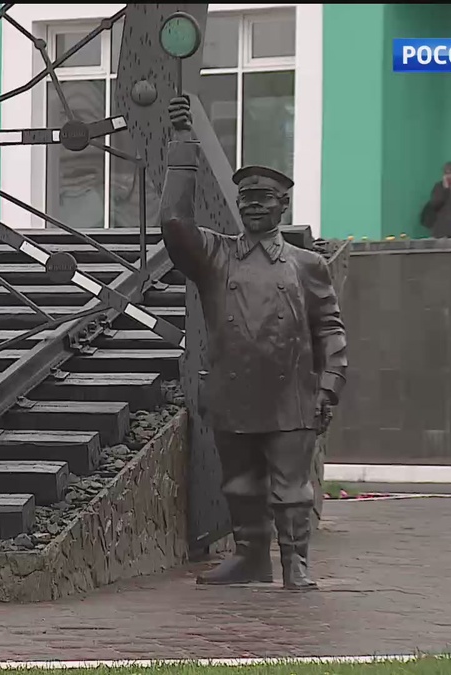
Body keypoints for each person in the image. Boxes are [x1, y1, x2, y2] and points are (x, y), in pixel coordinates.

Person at [158, 95, 348, 591]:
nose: (254, 204)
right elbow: (174, 224)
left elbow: (329, 328)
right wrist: (183, 146)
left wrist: (329, 385)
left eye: (264, 197)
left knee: (291, 489)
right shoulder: (214, 256)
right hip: (234, 391)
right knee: (240, 484)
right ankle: (250, 557)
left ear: (283, 205)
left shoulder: (308, 265)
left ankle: (295, 562)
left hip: (292, 397)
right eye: (246, 197)